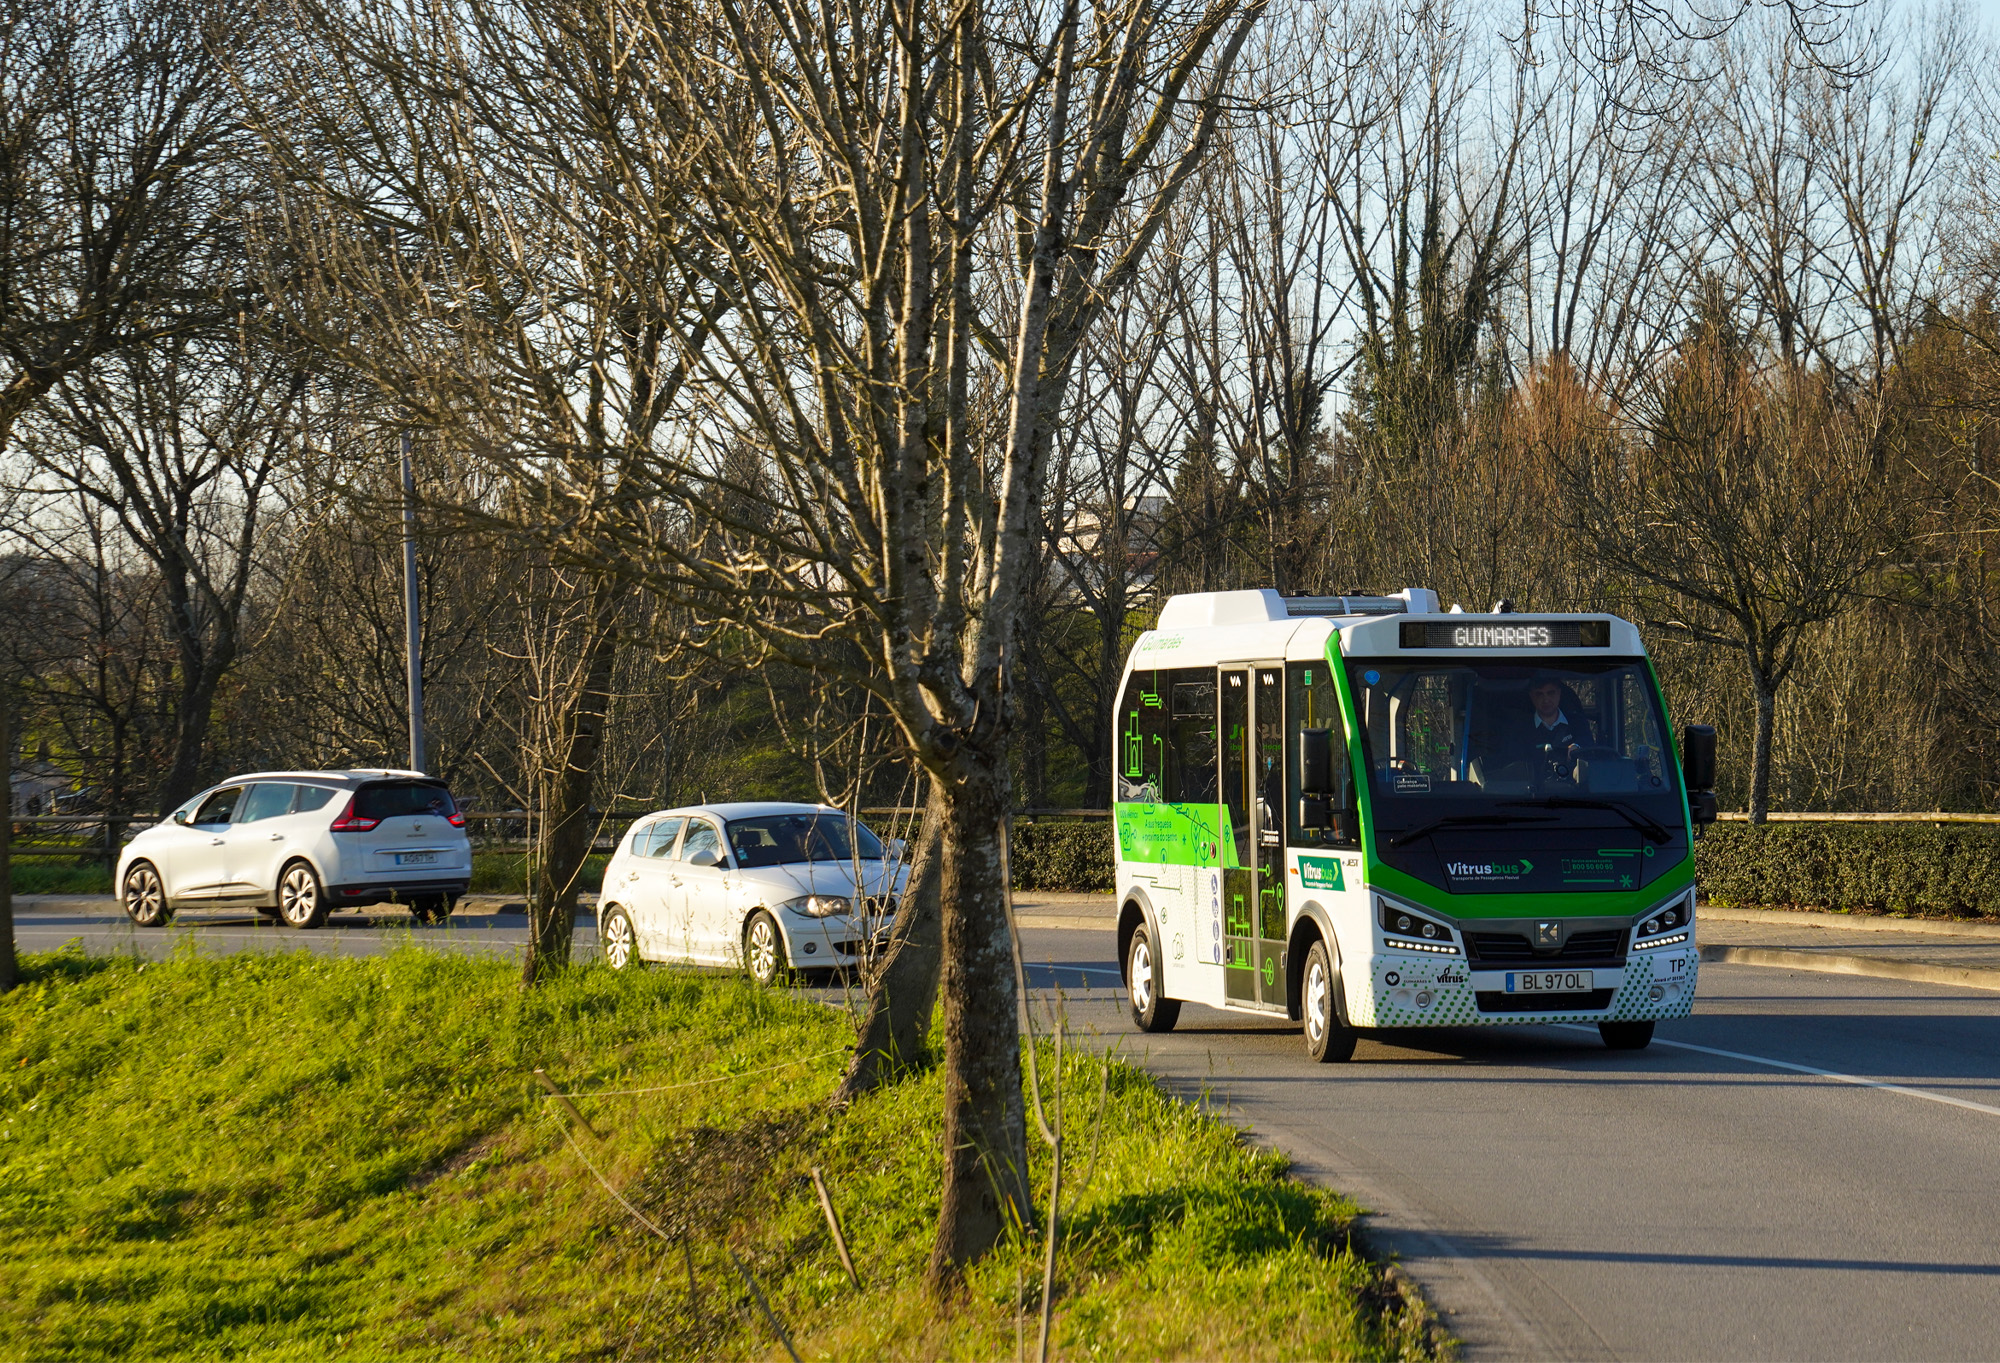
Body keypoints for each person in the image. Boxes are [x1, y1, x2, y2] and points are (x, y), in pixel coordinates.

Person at [1518, 673, 1591, 771]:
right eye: (1539, 694)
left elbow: (1589, 743)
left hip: (1573, 782)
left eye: (1550, 693)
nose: (1546, 700)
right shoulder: (1521, 728)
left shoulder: (1577, 722)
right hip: (1531, 783)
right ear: (1532, 696)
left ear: (1559, 693)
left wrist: (1577, 747)